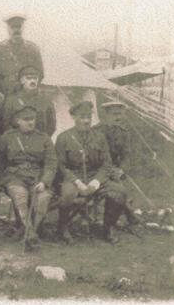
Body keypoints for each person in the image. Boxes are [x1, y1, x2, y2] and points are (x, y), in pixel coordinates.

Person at [55, 101, 127, 245]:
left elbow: (107, 163)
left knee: (119, 192)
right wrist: (77, 182)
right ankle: (62, 227)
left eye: (89, 117)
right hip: (73, 177)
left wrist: (96, 182)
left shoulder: (99, 137)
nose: (86, 121)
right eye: (82, 117)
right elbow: (61, 165)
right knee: (68, 195)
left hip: (95, 175)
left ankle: (108, 227)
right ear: (74, 117)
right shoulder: (64, 137)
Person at [0, 105, 57, 251]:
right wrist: (0, 181)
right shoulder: (8, 137)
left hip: (38, 177)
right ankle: (31, 234)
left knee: (42, 199)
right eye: (26, 119)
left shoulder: (44, 138)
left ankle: (30, 231)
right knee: (21, 197)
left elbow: (51, 163)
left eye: (33, 119)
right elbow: (0, 161)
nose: (31, 122)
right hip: (15, 177)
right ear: (18, 121)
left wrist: (44, 181)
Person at [94, 100, 143, 228]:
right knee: (119, 189)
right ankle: (128, 214)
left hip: (115, 170)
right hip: (97, 170)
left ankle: (115, 220)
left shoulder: (123, 133)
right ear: (105, 114)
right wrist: (109, 170)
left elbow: (127, 155)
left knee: (119, 187)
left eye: (120, 114)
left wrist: (122, 169)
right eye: (115, 114)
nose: (118, 117)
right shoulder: (96, 131)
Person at [0, 14, 44, 96]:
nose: (16, 30)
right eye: (13, 27)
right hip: (4, 94)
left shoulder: (33, 49)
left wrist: (30, 89)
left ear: (22, 28)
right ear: (8, 29)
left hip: (26, 95)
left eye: (19, 27)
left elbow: (40, 73)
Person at [1, 65, 56, 137]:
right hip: (18, 142)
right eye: (29, 78)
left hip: (39, 142)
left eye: (35, 78)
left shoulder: (46, 101)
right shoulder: (12, 100)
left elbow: (52, 124)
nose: (33, 81)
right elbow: (6, 123)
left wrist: (43, 139)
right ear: (21, 81)